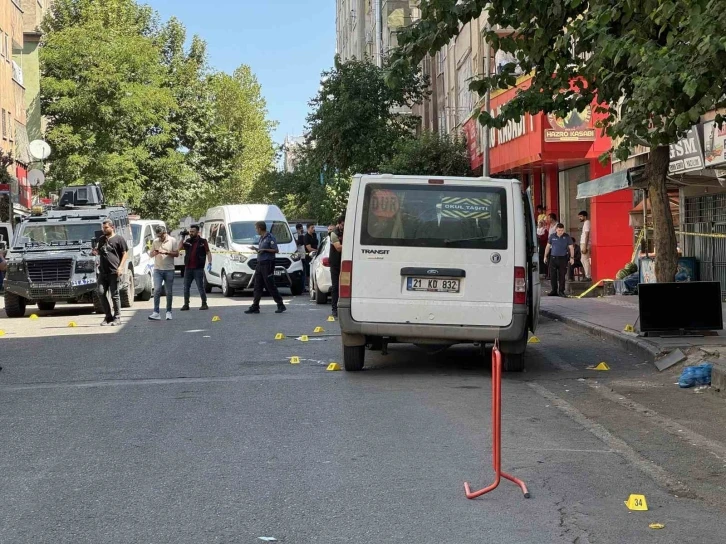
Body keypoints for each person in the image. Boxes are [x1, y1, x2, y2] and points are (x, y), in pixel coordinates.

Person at [244, 221, 287, 314]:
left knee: (270, 285)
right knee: (257, 285)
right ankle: (255, 306)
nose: (256, 230)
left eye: (256, 228)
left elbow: (276, 250)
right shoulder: (261, 238)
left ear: (260, 228)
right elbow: (261, 250)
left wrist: (264, 249)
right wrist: (256, 249)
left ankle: (280, 304)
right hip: (260, 264)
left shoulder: (270, 237)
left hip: (268, 264)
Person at [93, 219, 128, 326]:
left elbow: (125, 254)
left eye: (106, 228)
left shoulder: (119, 239)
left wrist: (120, 267)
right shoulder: (101, 239)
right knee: (101, 292)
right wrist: (95, 251)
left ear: (112, 227)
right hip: (103, 272)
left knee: (114, 295)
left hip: (114, 271)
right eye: (103, 228)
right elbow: (99, 251)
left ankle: (117, 317)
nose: (104, 230)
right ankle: (108, 316)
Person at [149, 226, 179, 321]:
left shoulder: (172, 240)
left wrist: (166, 252)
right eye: (158, 236)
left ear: (165, 233)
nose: (160, 238)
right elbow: (150, 254)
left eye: (161, 236)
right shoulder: (155, 241)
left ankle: (168, 312)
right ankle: (156, 312)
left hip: (169, 269)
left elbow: (177, 254)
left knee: (168, 291)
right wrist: (154, 253)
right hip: (158, 269)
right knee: (157, 289)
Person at [180, 224, 211, 311]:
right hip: (188, 268)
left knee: (200, 286)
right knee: (186, 287)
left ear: (197, 232)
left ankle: (204, 303)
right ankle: (186, 304)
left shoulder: (203, 241)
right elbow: (179, 248)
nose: (191, 233)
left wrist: (210, 262)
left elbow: (208, 252)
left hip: (198, 268)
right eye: (190, 231)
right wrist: (182, 238)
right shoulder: (188, 241)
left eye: (193, 231)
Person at [544, 223, 575, 297]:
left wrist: (572, 257)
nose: (560, 232)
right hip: (553, 258)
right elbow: (548, 246)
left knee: (562, 275)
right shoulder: (552, 236)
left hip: (563, 258)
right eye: (559, 230)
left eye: (562, 230)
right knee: (553, 275)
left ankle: (561, 291)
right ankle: (554, 290)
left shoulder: (566, 237)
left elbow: (571, 247)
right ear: (556, 230)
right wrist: (545, 256)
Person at [329, 215, 344, 318]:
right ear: (338, 224)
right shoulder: (334, 233)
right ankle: (334, 309)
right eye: (342, 225)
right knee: (335, 287)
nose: (344, 226)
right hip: (335, 263)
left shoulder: (348, 231)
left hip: (345, 262)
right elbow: (338, 248)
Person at [303, 223, 318, 292]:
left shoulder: (314, 235)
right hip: (309, 256)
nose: (313, 229)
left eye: (313, 227)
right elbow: (309, 248)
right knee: (309, 272)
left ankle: (315, 285)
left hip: (316, 256)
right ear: (308, 229)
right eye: (312, 228)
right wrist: (317, 250)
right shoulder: (306, 237)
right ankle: (310, 287)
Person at [578, 210, 592, 280]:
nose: (579, 218)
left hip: (585, 243)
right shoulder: (586, 223)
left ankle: (588, 276)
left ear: (585, 216)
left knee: (585, 260)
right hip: (584, 243)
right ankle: (588, 275)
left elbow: (587, 235)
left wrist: (585, 246)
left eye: (581, 216)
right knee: (583, 260)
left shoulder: (587, 223)